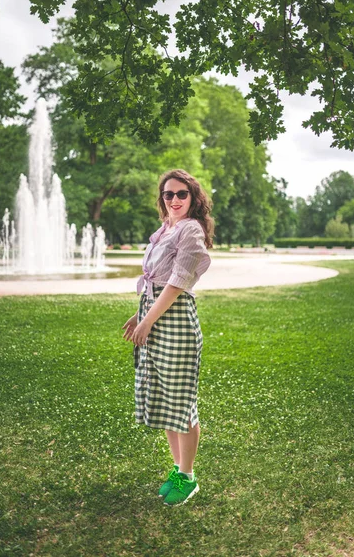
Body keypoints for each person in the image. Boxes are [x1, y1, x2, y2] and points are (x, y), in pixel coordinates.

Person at [122, 169, 214, 507]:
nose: (174, 200)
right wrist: (140, 314)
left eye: (181, 194)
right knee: (163, 401)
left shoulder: (191, 229)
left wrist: (147, 320)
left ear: (193, 197)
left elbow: (177, 282)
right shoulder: (165, 230)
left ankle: (188, 478)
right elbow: (154, 281)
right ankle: (177, 470)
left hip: (174, 323)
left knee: (181, 402)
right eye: (168, 194)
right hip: (156, 315)